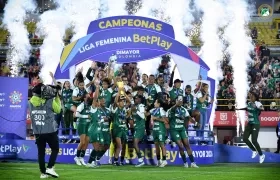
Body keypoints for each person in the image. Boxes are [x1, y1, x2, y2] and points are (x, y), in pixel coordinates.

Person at [29, 83, 61, 178]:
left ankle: (43, 173)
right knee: (55, 149)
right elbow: (58, 110)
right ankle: (50, 168)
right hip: (50, 130)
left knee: (41, 152)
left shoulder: (30, 102)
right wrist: (56, 97)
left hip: (38, 131)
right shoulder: (50, 101)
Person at [167, 96, 199, 168]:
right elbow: (171, 112)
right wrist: (176, 104)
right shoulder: (171, 109)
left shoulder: (184, 110)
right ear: (176, 101)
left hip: (182, 129)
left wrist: (196, 123)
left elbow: (189, 118)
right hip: (174, 130)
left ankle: (193, 162)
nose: (180, 102)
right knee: (180, 146)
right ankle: (185, 162)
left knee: (187, 145)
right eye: (178, 100)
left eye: (181, 101)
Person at [236, 91, 265, 163]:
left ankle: (261, 155)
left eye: (252, 96)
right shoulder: (249, 103)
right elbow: (246, 108)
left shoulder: (257, 103)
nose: (250, 97)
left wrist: (259, 107)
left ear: (255, 97)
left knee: (254, 140)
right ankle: (254, 150)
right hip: (249, 124)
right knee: (245, 138)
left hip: (255, 123)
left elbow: (262, 108)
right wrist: (238, 109)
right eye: (250, 96)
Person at [112, 88, 131, 166]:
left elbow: (129, 101)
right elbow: (115, 101)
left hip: (124, 128)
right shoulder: (115, 108)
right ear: (118, 102)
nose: (123, 102)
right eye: (122, 101)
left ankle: (120, 160)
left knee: (123, 145)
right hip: (117, 128)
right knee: (119, 145)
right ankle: (116, 160)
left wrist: (124, 93)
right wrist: (119, 92)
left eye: (123, 101)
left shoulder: (124, 109)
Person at [149, 98, 168, 167]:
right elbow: (147, 115)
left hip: (160, 129)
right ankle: (159, 160)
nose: (154, 103)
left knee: (162, 145)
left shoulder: (161, 110)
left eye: (155, 102)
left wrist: (156, 118)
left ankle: (164, 160)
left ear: (159, 104)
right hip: (155, 130)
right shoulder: (153, 111)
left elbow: (165, 120)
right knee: (156, 146)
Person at [74, 93, 91, 166]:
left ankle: (81, 157)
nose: (89, 98)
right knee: (82, 142)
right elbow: (76, 114)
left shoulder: (90, 106)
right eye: (87, 97)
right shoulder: (81, 105)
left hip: (88, 125)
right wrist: (86, 116)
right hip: (82, 124)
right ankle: (77, 157)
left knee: (87, 142)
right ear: (84, 98)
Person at [130, 95, 146, 167]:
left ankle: (140, 160)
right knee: (134, 143)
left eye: (138, 99)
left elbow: (143, 116)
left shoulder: (141, 106)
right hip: (136, 127)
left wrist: (136, 110)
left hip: (140, 127)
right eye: (135, 98)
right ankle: (140, 159)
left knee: (135, 143)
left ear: (140, 100)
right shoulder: (134, 106)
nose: (136, 100)